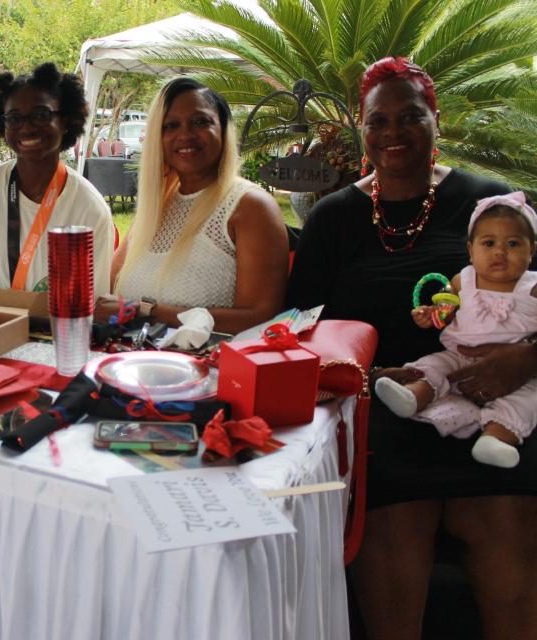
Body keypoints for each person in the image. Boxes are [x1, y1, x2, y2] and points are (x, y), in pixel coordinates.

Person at [287, 57, 537, 640]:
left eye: (410, 116)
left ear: (436, 121)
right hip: (388, 413)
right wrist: (364, 376)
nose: (393, 132)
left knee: (505, 529)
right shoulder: (333, 218)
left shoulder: (493, 205)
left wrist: (526, 358)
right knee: (394, 533)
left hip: (499, 414)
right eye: (378, 121)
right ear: (362, 129)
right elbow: (301, 327)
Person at [109, 77, 288, 330]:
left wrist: (146, 311)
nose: (185, 135)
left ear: (224, 129)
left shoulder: (249, 207)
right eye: (170, 126)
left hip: (212, 365)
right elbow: (108, 287)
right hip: (128, 363)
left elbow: (259, 316)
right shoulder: (155, 208)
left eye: (201, 122)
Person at [375, 193, 537, 469]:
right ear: (471, 250)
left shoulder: (532, 287)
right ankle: (413, 396)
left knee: (529, 399)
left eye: (513, 243)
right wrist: (429, 315)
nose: (500, 252)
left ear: (531, 250)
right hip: (458, 355)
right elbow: (444, 310)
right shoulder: (463, 280)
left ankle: (495, 439)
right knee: (432, 367)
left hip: (519, 370)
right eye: (489, 243)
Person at [0, 63, 114, 294]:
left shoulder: (89, 209)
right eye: (14, 118)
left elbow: (93, 304)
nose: (27, 128)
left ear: (65, 122)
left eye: (41, 115)